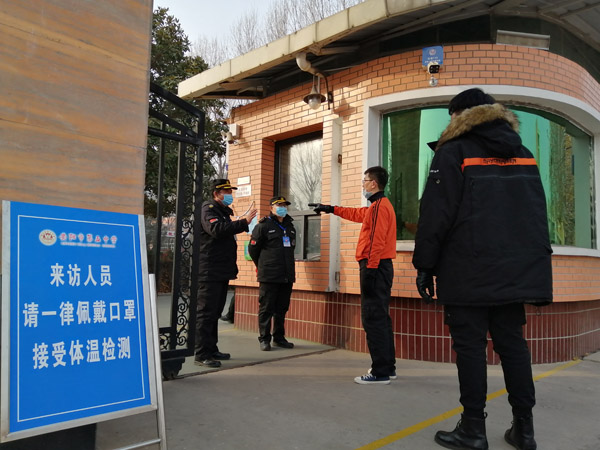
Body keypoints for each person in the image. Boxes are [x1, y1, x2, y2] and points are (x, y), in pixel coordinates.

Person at [412, 88, 553, 450]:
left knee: (471, 348)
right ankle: (524, 430)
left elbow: (435, 214)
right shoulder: (524, 154)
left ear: (460, 115)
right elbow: (536, 214)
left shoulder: (453, 152)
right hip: (515, 270)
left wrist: (425, 265)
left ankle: (473, 429)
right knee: (513, 346)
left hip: (467, 269)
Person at [313, 166, 397, 385]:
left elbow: (376, 241)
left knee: (372, 318)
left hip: (374, 267)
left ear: (373, 183)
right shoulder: (377, 206)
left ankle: (380, 372)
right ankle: (387, 366)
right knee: (380, 317)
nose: (362, 184)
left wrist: (370, 271)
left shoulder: (379, 207)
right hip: (379, 267)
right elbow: (356, 214)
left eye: (365, 180)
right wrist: (331, 208)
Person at [195, 179, 257, 367]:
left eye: (231, 191)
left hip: (220, 270)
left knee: (214, 313)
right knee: (205, 314)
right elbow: (216, 230)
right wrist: (243, 223)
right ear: (216, 193)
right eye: (227, 191)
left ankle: (212, 349)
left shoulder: (222, 212)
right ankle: (201, 354)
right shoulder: (208, 209)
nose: (230, 194)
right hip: (208, 271)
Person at [248, 196, 296, 351]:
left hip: (286, 275)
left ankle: (279, 338)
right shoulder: (263, 226)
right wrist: (262, 265)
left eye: (284, 205)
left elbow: (291, 249)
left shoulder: (290, 226)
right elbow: (253, 249)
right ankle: (264, 339)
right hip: (269, 274)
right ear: (271, 208)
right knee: (266, 308)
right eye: (279, 205)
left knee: (282, 308)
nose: (282, 208)